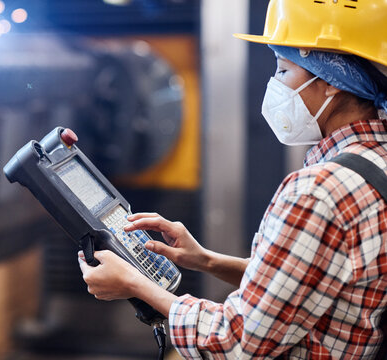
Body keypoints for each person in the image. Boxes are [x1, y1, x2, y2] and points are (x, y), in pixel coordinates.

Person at [78, 0, 387, 358]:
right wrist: (206, 260)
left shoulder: (319, 192)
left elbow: (237, 343)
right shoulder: (375, 162)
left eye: (284, 71)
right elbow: (305, 285)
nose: (275, 85)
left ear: (332, 81)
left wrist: (137, 284)